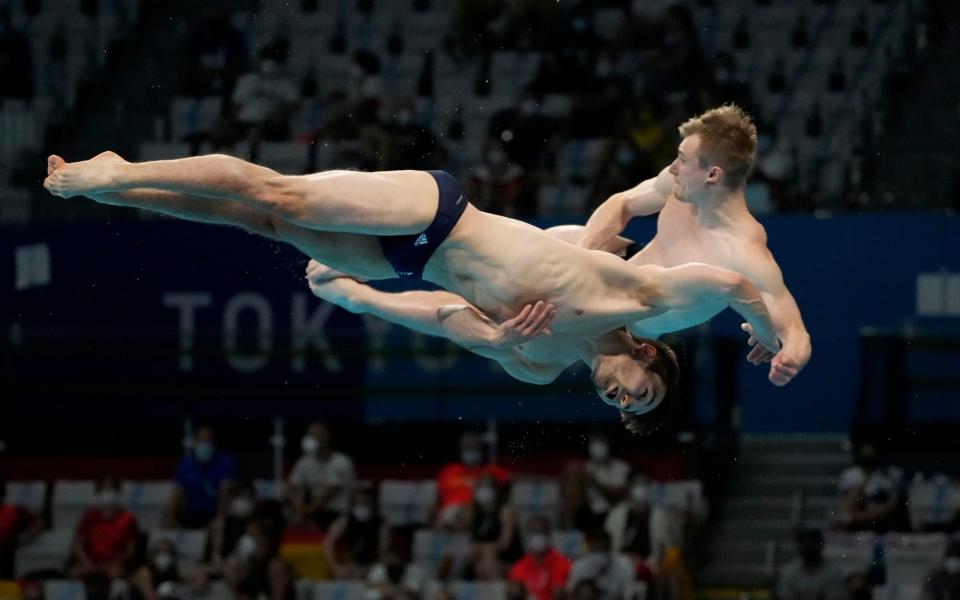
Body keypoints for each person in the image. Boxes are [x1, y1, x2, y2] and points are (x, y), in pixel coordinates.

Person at [43, 148, 784, 434]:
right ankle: (119, 169)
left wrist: (369, 302)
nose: (620, 398)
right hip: (441, 214)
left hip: (408, 267)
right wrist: (776, 331)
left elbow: (442, 319)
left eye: (623, 408)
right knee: (287, 197)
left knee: (258, 222)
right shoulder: (627, 291)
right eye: (639, 392)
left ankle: (123, 187)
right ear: (650, 357)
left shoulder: (533, 362)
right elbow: (729, 280)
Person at [549, 104, 811, 387]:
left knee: (536, 360)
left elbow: (796, 332)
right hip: (618, 274)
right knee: (553, 241)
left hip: (626, 334)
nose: (673, 167)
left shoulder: (743, 253)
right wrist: (582, 255)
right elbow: (622, 203)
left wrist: (791, 359)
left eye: (682, 160)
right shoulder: (682, 185)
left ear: (713, 175)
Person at [286, 421, 356, 528]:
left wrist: (307, 511)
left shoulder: (342, 461)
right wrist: (298, 507)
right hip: (310, 511)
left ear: (326, 438)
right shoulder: (304, 462)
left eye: (315, 435)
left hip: (336, 512)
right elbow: (291, 487)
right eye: (308, 435)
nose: (310, 439)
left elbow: (329, 492)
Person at [167, 425, 237, 528]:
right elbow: (177, 492)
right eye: (201, 440)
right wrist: (172, 519)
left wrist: (220, 517)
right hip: (190, 513)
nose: (204, 444)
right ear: (195, 442)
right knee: (173, 499)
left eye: (207, 440)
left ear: (214, 442)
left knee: (219, 525)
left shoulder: (224, 462)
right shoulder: (186, 464)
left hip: (214, 512)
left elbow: (226, 491)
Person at [508, 515, 572, 600]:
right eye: (533, 532)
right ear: (528, 536)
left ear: (549, 535)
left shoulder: (563, 564)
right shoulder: (518, 567)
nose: (537, 536)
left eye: (541, 532)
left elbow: (559, 594)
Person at [776, 527, 847, 600]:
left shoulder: (833, 572)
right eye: (804, 541)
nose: (808, 545)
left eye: (812, 541)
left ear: (821, 545)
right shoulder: (788, 572)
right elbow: (785, 596)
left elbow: (836, 596)